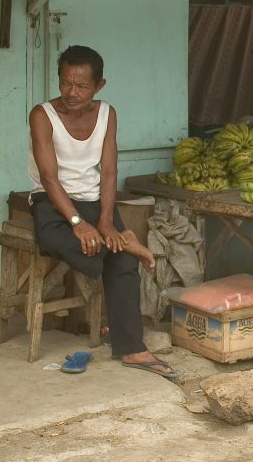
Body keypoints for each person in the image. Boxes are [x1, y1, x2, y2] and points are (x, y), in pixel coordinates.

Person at [28, 45, 177, 378]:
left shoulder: (107, 114)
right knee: (80, 244)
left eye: (81, 86)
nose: (71, 92)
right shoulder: (43, 115)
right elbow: (50, 178)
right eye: (65, 83)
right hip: (53, 201)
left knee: (119, 259)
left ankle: (132, 348)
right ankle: (128, 242)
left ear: (99, 85)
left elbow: (109, 172)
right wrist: (79, 223)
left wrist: (107, 221)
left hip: (95, 200)